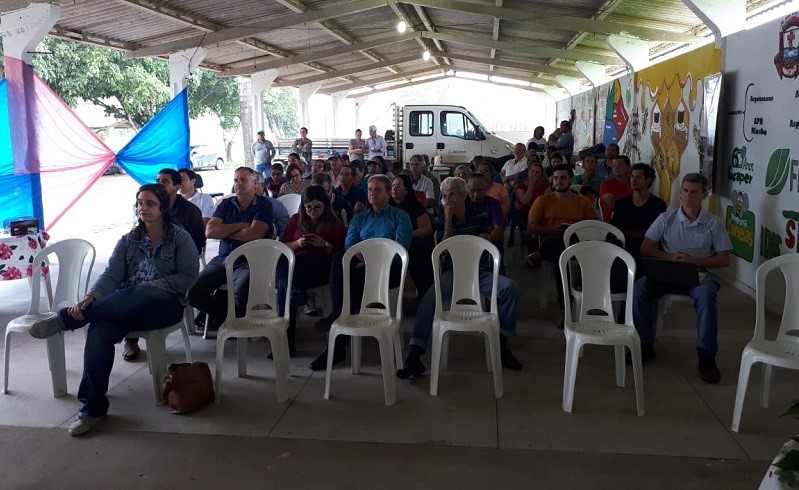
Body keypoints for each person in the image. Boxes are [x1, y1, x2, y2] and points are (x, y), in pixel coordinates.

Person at [30, 184, 199, 436]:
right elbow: (112, 274)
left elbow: (188, 277)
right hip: (125, 305)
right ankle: (92, 409)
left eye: (150, 203)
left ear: (163, 207)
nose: (143, 208)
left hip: (166, 305)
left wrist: (150, 286)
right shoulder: (129, 240)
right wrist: (91, 296)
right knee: (100, 329)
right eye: (140, 203)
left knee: (143, 290)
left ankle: (66, 320)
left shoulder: (179, 238)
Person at [396, 176, 522, 380]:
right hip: (453, 273)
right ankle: (415, 355)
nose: (448, 200)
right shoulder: (442, 218)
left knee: (511, 289)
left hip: (482, 272)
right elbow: (445, 251)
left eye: (452, 195)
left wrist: (485, 236)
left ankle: (501, 344)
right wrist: (447, 220)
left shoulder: (480, 213)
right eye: (444, 197)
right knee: (429, 300)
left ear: (463, 196)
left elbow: (494, 236)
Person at [633, 173, 732, 383]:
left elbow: (724, 259)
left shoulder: (714, 223)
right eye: (685, 191)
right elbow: (646, 247)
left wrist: (694, 262)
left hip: (699, 274)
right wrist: (669, 256)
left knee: (706, 298)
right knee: (639, 289)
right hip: (667, 271)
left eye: (694, 192)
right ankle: (644, 344)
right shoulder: (666, 218)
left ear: (704, 195)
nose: (688, 196)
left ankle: (706, 356)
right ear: (680, 193)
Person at [310, 174, 412, 371]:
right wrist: (365, 258)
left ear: (388, 193)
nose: (372, 194)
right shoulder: (360, 218)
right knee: (340, 256)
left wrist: (373, 259)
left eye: (378, 190)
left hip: (389, 269)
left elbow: (400, 249)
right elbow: (350, 245)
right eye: (370, 190)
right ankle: (339, 330)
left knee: (350, 284)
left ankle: (337, 328)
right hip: (361, 266)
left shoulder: (400, 217)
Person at [122, 168, 205, 361]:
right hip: (146, 267)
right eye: (158, 179)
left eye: (165, 181)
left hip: (174, 266)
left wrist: (171, 251)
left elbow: (197, 244)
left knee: (136, 295)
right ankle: (131, 339)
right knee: (128, 286)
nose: (160, 183)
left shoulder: (190, 211)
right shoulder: (142, 217)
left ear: (177, 186)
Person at [188, 167, 274, 337]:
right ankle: (224, 318)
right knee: (194, 292)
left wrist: (226, 231)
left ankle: (227, 320)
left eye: (244, 180)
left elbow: (255, 234)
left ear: (255, 183)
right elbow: (210, 231)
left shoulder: (264, 204)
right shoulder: (227, 204)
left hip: (249, 261)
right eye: (236, 180)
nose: (238, 183)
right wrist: (242, 226)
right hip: (223, 259)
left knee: (241, 291)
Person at [277, 185, 347, 354]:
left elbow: (341, 254)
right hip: (297, 265)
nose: (312, 211)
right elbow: (283, 246)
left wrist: (323, 244)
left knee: (285, 287)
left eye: (317, 207)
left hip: (321, 267)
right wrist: (297, 244)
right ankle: (295, 292)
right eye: (308, 207)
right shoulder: (296, 219)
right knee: (281, 265)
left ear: (325, 206)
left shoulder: (334, 224)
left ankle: (287, 341)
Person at [528, 164, 597, 328]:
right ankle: (566, 309)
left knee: (566, 241)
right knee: (562, 260)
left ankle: (539, 254)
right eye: (556, 178)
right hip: (554, 242)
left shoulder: (583, 201)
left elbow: (593, 227)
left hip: (578, 243)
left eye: (563, 178)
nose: (559, 181)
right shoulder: (543, 200)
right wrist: (550, 229)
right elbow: (532, 227)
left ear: (571, 179)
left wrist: (574, 230)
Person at [611, 163, 666, 266]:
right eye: (632, 176)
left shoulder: (658, 204)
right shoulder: (621, 203)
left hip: (646, 246)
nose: (633, 180)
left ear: (648, 180)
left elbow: (655, 232)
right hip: (623, 245)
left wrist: (630, 234)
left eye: (638, 177)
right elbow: (614, 229)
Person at [389, 174, 434, 301]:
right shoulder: (387, 206)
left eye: (398, 186)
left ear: (406, 190)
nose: (394, 189)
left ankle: (425, 299)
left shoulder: (415, 206)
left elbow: (427, 229)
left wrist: (406, 234)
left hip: (412, 243)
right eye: (392, 186)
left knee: (422, 251)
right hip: (390, 245)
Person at [515, 162, 549, 258]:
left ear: (541, 175)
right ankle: (534, 252)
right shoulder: (521, 186)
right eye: (532, 171)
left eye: (537, 172)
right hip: (524, 216)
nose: (534, 174)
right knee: (526, 234)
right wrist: (531, 185)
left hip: (541, 217)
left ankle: (538, 253)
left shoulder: (546, 187)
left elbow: (546, 205)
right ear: (528, 172)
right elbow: (525, 201)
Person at [253, 171, 290, 238]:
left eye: (254, 183)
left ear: (261, 185)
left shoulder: (274, 204)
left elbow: (285, 229)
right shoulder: (233, 203)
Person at [599, 154, 633, 222]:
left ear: (629, 167)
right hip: (613, 223)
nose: (616, 168)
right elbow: (612, 205)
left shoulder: (634, 182)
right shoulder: (607, 183)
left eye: (620, 165)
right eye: (614, 166)